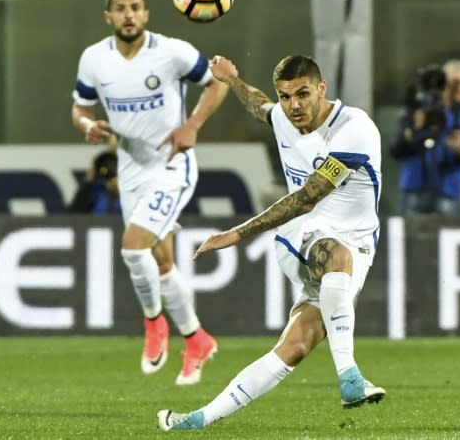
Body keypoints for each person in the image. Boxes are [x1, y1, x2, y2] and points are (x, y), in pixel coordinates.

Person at [157, 54, 385, 431]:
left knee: (294, 346)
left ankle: (199, 419)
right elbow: (259, 104)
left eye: (303, 94)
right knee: (334, 251)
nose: (293, 106)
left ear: (322, 89)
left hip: (356, 248)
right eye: (285, 96)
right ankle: (350, 377)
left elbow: (308, 194)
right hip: (301, 236)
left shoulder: (353, 128)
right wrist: (232, 80)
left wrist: (236, 233)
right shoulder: (282, 114)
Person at [70, 0, 229, 385]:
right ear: (109, 16)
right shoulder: (94, 60)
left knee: (132, 248)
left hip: (172, 166)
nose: (128, 14)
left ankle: (153, 323)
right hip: (131, 167)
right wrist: (88, 125)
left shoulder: (172, 52)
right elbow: (79, 106)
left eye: (135, 7)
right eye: (120, 8)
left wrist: (192, 125)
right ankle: (197, 339)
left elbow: (220, 80)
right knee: (160, 264)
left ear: (146, 14)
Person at [389, 59, 460, 216]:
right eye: (454, 83)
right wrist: (413, 132)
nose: (459, 89)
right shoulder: (418, 110)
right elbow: (396, 151)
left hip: (449, 191)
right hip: (415, 188)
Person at [68, 135, 122, 214]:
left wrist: (119, 190)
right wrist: (91, 176)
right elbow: (75, 211)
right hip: (97, 221)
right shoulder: (97, 183)